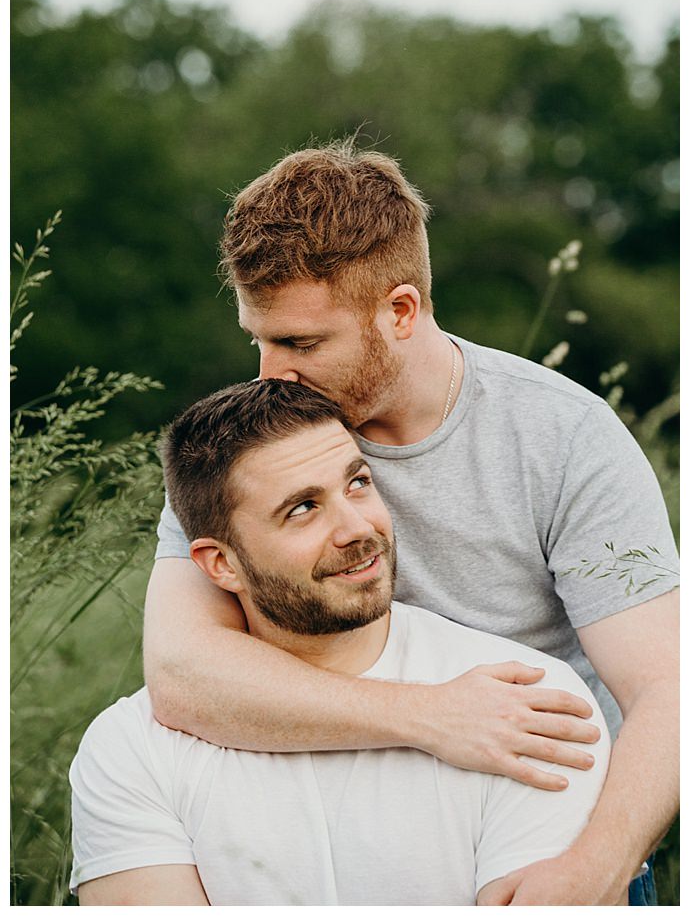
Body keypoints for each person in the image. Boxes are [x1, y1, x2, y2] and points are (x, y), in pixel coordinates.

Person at [144, 141, 679, 905]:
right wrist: (432, 716)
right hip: (338, 855)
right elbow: (182, 677)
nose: (269, 374)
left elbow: (668, 689)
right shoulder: (245, 449)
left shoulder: (565, 436)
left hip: (538, 847)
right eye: (257, 339)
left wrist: (595, 868)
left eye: (300, 342)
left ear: (400, 310)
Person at [71, 380, 615, 905]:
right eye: (302, 508)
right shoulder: (130, 749)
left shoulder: (527, 704)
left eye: (357, 483)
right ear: (222, 564)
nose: (357, 526)